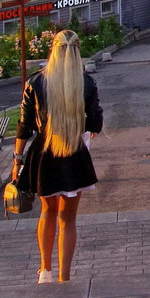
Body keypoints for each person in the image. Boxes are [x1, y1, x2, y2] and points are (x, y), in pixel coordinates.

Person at [12, 30, 104, 284]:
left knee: (47, 212)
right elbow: (95, 123)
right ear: (76, 52)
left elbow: (24, 125)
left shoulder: (36, 82)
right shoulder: (86, 83)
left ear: (53, 50)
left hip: (44, 154)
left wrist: (17, 159)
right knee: (68, 219)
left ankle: (45, 271)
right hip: (74, 153)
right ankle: (65, 278)